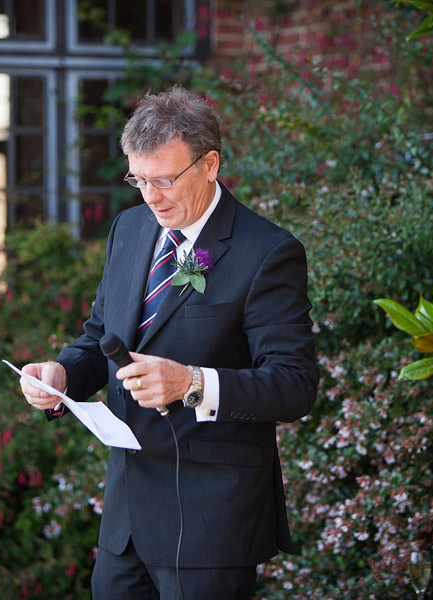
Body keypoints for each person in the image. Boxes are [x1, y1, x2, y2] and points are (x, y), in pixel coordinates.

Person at [19, 85, 318, 599]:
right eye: (139, 179)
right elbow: (100, 338)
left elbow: (294, 385)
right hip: (126, 524)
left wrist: (192, 384)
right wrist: (63, 374)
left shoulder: (268, 252)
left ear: (210, 164)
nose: (149, 196)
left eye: (163, 179)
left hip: (211, 525)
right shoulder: (130, 229)